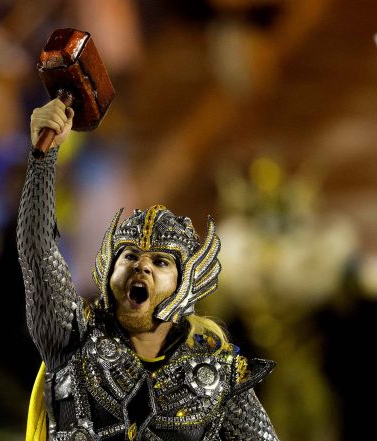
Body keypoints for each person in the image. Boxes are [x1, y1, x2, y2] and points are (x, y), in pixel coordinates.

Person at [17, 99, 279, 441]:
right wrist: (43, 158)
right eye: (129, 256)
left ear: (186, 283)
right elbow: (38, 253)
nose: (141, 265)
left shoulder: (219, 376)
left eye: (160, 261)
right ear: (108, 270)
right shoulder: (71, 340)